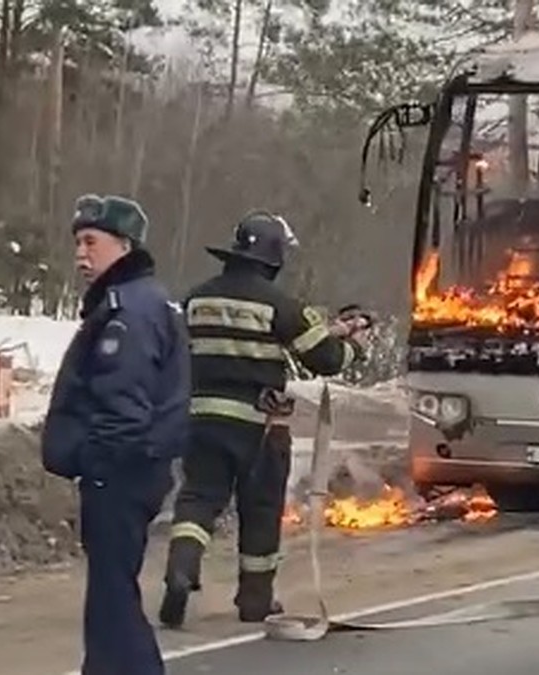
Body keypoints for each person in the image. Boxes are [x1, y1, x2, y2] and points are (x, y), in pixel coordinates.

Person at [158, 211, 369, 629]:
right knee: (260, 509)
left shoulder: (197, 299)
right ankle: (255, 601)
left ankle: (180, 570)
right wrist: (354, 346)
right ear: (274, 258)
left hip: (202, 417)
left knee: (199, 498)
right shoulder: (282, 306)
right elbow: (324, 359)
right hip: (259, 426)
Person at [41, 194, 189, 675]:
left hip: (121, 471)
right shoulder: (142, 301)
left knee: (112, 600)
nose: (80, 254)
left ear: (124, 245)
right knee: (110, 597)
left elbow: (124, 403)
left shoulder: (129, 312)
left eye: (91, 242)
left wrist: (97, 463)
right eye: (77, 243)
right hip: (134, 467)